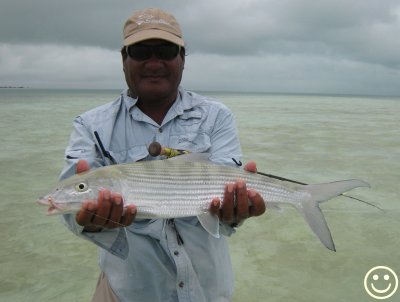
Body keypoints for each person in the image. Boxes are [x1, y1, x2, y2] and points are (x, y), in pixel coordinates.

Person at [60, 7, 266, 302]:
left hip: (208, 290)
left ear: (183, 58)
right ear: (124, 59)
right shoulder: (90, 126)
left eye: (166, 51)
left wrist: (233, 215)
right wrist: (91, 221)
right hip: (126, 291)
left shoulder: (216, 116)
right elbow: (71, 208)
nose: (153, 62)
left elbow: (224, 207)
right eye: (141, 51)